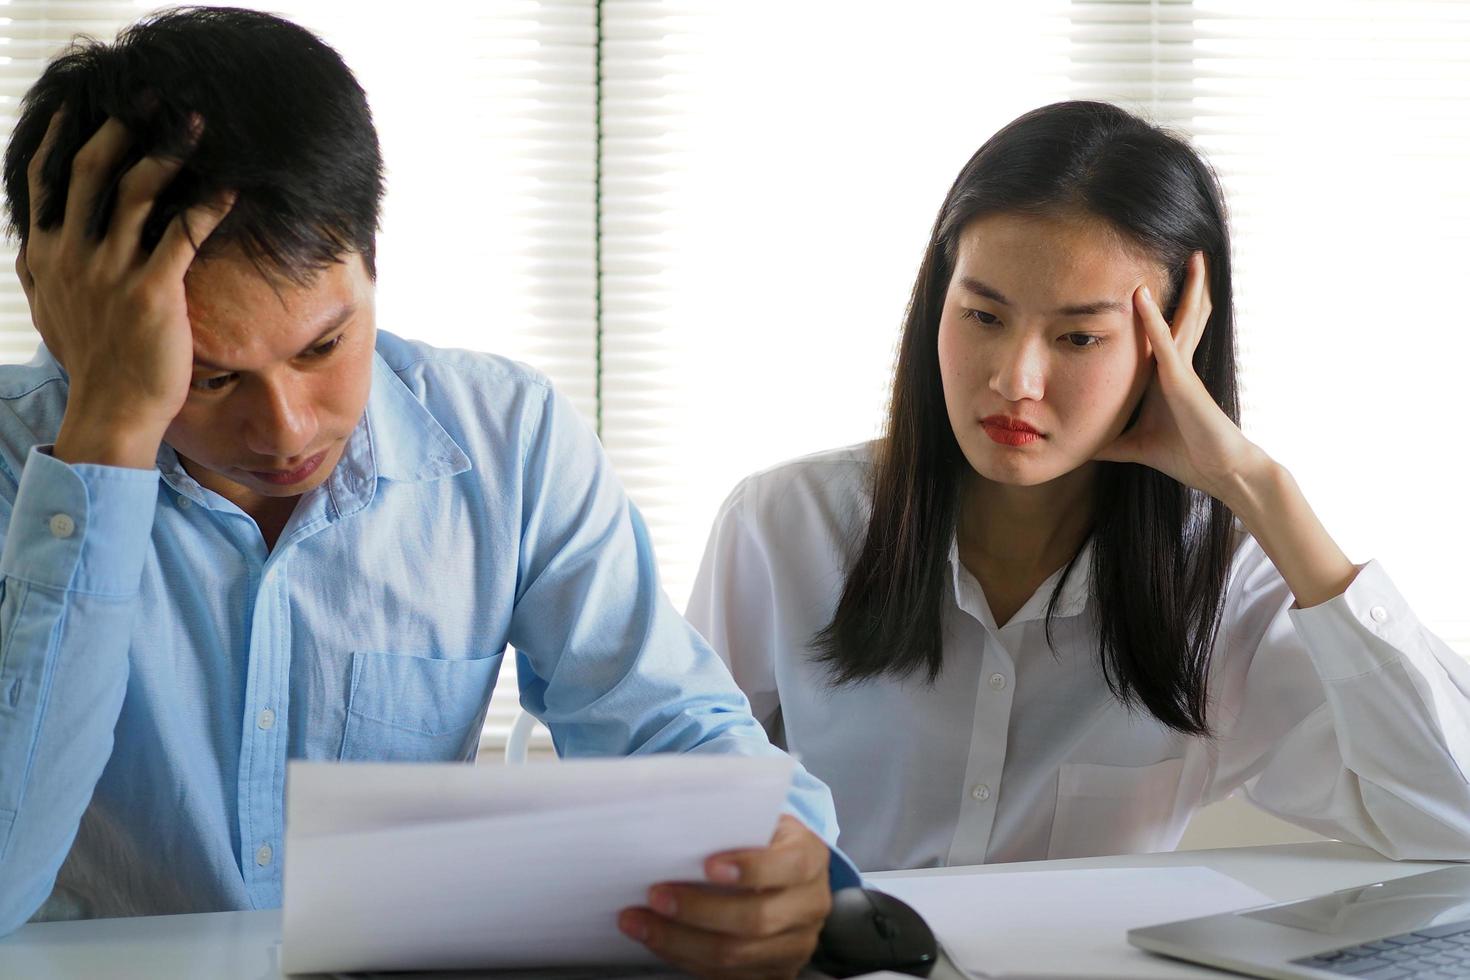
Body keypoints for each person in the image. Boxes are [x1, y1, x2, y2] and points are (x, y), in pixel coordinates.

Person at [0, 8, 855, 976]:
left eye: (323, 346)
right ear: (72, 318)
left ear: (374, 266)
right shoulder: (14, 458)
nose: (287, 428)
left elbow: (662, 718)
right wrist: (109, 435)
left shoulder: (505, 438)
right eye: (208, 373)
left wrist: (782, 849)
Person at [687, 100, 1470, 873]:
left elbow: (1452, 818)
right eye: (984, 316)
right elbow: (681, 815)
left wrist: (1254, 482)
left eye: (1079, 337)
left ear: (1171, 347)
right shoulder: (784, 526)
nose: (1014, 380)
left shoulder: (1225, 584)